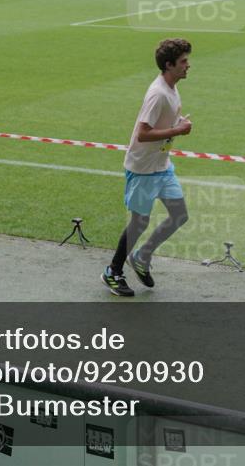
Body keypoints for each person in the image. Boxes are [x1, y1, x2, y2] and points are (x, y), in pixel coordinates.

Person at [102, 39, 192, 297]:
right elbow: (143, 133)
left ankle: (142, 256)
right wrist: (178, 130)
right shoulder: (158, 93)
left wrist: (177, 123)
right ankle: (113, 271)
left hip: (161, 165)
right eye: (183, 61)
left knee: (179, 215)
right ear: (169, 65)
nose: (188, 65)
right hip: (143, 168)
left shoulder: (171, 88)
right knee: (139, 222)